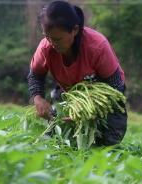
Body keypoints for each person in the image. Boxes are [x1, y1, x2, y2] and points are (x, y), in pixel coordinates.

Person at [27, 1, 127, 145]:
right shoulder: (45, 48)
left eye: (57, 39)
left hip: (104, 99)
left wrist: (88, 110)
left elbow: (116, 85)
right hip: (69, 92)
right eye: (47, 37)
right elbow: (35, 75)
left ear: (74, 30)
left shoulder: (97, 46)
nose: (52, 43)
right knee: (56, 141)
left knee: (104, 143)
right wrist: (37, 98)